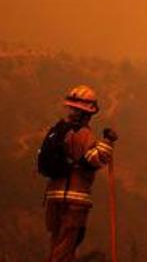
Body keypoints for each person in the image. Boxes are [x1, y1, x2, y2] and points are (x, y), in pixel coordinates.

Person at [38, 85, 116, 262]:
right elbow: (94, 159)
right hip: (74, 200)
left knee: (57, 244)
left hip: (53, 197)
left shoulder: (59, 130)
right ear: (88, 113)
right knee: (65, 248)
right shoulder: (82, 134)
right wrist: (107, 142)